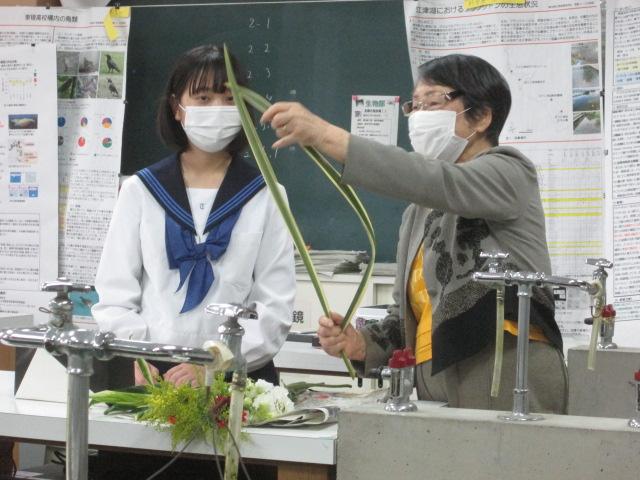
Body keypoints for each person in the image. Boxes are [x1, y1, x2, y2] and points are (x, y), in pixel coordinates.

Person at [261, 54, 567, 413]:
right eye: (415, 105)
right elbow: (407, 315)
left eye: (433, 102)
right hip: (435, 379)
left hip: (504, 371)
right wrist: (360, 344)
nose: (419, 116)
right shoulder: (419, 210)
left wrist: (326, 136)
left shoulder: (509, 172)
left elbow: (434, 179)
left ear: (482, 116)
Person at [92, 45, 296, 387]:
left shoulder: (266, 195)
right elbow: (115, 294)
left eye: (228, 99)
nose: (217, 109)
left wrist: (213, 365)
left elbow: (273, 307)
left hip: (236, 378)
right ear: (177, 107)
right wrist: (137, 355)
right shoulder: (141, 190)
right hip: (154, 374)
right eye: (202, 98)